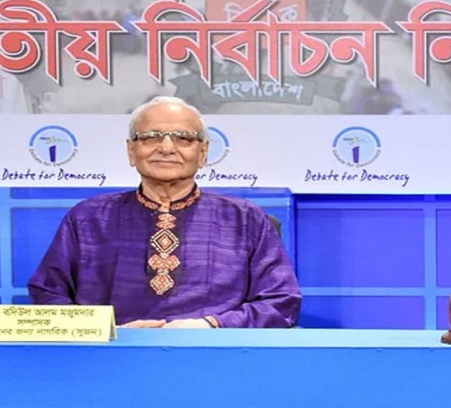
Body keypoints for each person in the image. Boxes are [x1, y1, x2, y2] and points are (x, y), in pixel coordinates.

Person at [28, 96, 301, 328]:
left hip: (216, 361)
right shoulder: (88, 218)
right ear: (131, 151)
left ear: (203, 152)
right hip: (109, 363)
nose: (167, 148)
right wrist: (108, 330)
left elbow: (281, 302)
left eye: (183, 138)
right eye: (150, 137)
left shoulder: (246, 220)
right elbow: (48, 295)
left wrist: (211, 325)